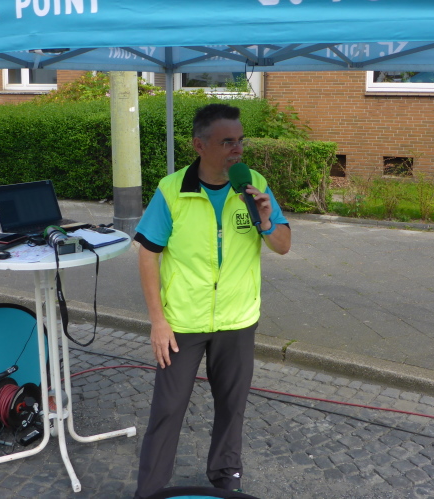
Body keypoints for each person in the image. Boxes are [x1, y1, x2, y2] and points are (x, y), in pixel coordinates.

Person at [132, 103, 291, 499]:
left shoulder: (253, 184)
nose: (237, 150)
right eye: (227, 142)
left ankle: (226, 480)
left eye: (240, 141)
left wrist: (266, 220)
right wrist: (158, 322)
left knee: (232, 407)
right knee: (167, 409)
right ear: (199, 145)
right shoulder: (172, 190)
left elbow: (283, 245)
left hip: (238, 319)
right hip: (182, 323)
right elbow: (148, 254)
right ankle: (149, 490)